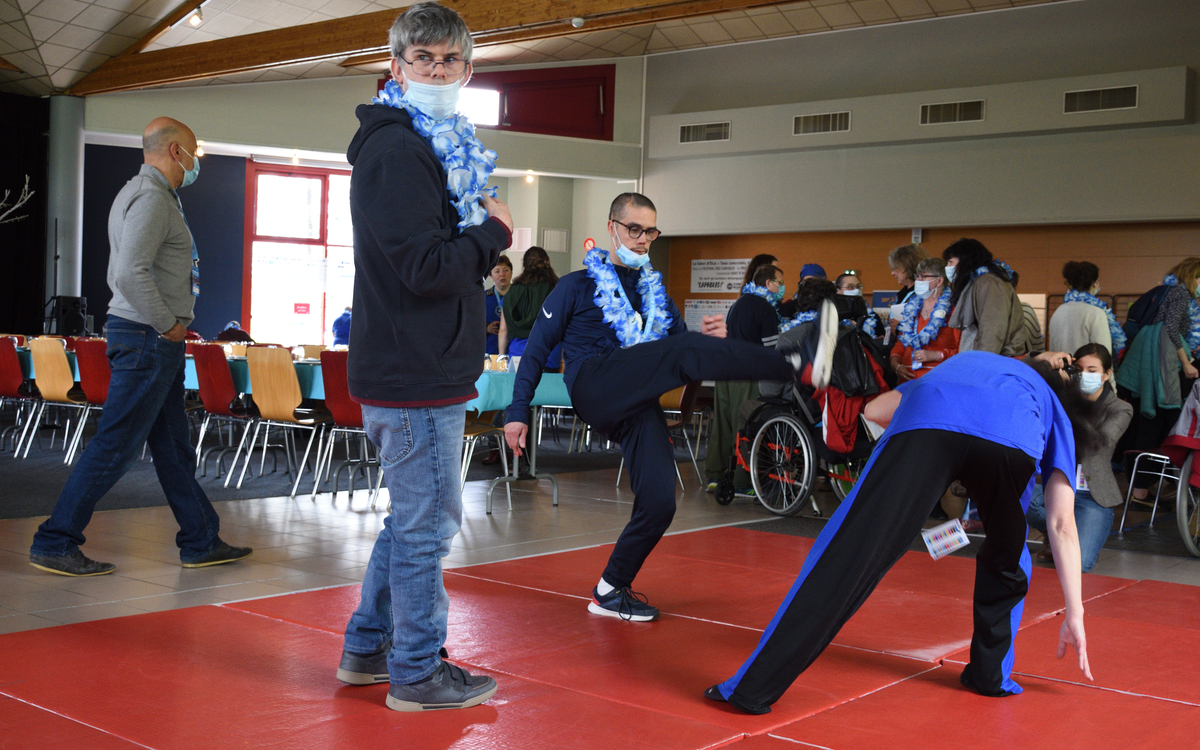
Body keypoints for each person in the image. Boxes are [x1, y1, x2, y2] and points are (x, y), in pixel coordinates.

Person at [505, 192, 836, 623]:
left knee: (660, 501)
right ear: (612, 228)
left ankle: (610, 588)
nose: (643, 240)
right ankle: (797, 362)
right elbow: (535, 350)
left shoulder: (656, 294)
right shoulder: (577, 285)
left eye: (651, 231)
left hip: (636, 400)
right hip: (594, 384)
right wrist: (516, 413)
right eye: (634, 230)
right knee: (681, 350)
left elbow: (685, 351)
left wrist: (716, 346)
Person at [706, 351, 1097, 714]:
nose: (1061, 361)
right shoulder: (1052, 407)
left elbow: (876, 410)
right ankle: (989, 677)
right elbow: (1061, 523)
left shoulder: (971, 362)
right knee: (1008, 560)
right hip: (1006, 445)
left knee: (849, 550)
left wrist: (939, 457)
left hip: (928, 419)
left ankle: (750, 690)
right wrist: (1074, 613)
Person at [334, 2, 514, 713]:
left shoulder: (426, 145)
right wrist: (493, 234)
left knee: (408, 522)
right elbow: (427, 268)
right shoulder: (399, 150)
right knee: (426, 528)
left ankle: (366, 650)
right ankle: (415, 673)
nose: (437, 70)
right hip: (414, 372)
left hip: (420, 364)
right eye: (423, 59)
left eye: (449, 60)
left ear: (466, 70)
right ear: (396, 68)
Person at [28, 117, 252, 577]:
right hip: (148, 338)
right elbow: (130, 272)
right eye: (195, 154)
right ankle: (55, 540)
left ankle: (200, 538)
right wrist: (169, 324)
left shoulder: (143, 194)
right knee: (115, 445)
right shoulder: (151, 198)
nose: (196, 164)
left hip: (147, 339)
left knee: (173, 446)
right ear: (176, 152)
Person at [1027, 343, 1131, 572]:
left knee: (1080, 564)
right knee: (1018, 496)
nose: (1085, 375)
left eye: (1092, 371)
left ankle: (1061, 539)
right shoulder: (1062, 396)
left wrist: (1069, 400)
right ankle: (1054, 534)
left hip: (1092, 498)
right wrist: (1045, 359)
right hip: (1054, 488)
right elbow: (1026, 368)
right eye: (1080, 369)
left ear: (1106, 375)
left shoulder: (1121, 409)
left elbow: (1097, 444)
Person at [1116, 258, 1200, 502]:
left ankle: (1141, 489)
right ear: (1191, 276)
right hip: (1160, 371)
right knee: (1159, 427)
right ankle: (1143, 491)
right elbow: (1171, 329)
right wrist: (1186, 363)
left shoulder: (1166, 291)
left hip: (1146, 368)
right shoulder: (1179, 294)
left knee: (1145, 429)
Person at [704, 263, 785, 493]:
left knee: (722, 422)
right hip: (747, 373)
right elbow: (772, 350)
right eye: (780, 281)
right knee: (745, 424)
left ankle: (716, 475)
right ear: (768, 284)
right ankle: (742, 480)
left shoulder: (739, 303)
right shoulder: (766, 309)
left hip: (725, 370)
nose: (782, 286)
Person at [944, 238, 1029, 356]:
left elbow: (992, 330)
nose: (948, 267)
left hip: (994, 362)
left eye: (950, 262)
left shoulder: (989, 283)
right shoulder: (979, 283)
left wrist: (982, 363)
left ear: (965, 260)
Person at [890, 258, 960, 382]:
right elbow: (901, 344)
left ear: (939, 280)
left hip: (937, 381)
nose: (917, 281)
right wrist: (895, 363)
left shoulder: (954, 311)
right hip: (907, 380)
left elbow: (963, 351)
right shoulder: (910, 309)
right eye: (917, 276)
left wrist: (937, 355)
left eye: (923, 277)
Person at [499, 245, 561, 369]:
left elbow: (503, 331)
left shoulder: (512, 292)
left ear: (524, 265)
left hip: (517, 357)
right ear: (547, 263)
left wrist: (502, 357)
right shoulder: (557, 290)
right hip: (548, 357)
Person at [1049, 261, 1122, 358]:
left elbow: (1052, 352)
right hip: (1088, 372)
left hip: (1061, 371)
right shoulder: (1096, 314)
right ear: (1095, 284)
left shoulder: (1058, 312)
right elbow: (1103, 355)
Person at [485, 255, 512, 355]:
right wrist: (486, 328)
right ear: (491, 276)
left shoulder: (519, 296)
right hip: (490, 351)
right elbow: (472, 324)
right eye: (497, 271)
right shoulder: (483, 298)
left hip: (514, 352)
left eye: (506, 270)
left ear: (511, 273)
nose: (502, 275)